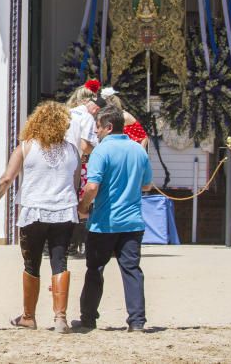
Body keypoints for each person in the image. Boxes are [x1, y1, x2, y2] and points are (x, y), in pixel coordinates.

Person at [0, 101, 80, 333]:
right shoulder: (73, 151)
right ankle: (60, 318)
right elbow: (75, 184)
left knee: (31, 263)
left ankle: (28, 316)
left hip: (33, 212)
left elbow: (7, 179)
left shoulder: (26, 147)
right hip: (64, 212)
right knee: (60, 261)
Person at [75, 105, 153, 332]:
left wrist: (83, 207)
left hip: (104, 223)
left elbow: (92, 186)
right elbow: (147, 184)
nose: (95, 132)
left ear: (108, 128)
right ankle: (137, 321)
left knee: (95, 270)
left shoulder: (101, 151)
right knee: (132, 270)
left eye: (98, 127)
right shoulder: (139, 150)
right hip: (132, 221)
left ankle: (88, 318)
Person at [65, 79, 104, 255]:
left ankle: (66, 243)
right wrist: (100, 150)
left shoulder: (66, 113)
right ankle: (79, 244)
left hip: (62, 163)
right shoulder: (86, 117)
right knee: (84, 203)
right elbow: (84, 145)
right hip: (81, 163)